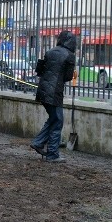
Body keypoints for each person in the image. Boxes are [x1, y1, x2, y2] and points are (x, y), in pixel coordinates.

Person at [31, 30, 77, 163]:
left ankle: (38, 142)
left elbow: (40, 70)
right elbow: (68, 76)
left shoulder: (50, 51)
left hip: (42, 91)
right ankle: (52, 154)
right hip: (54, 93)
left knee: (54, 119)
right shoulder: (69, 55)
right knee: (58, 121)